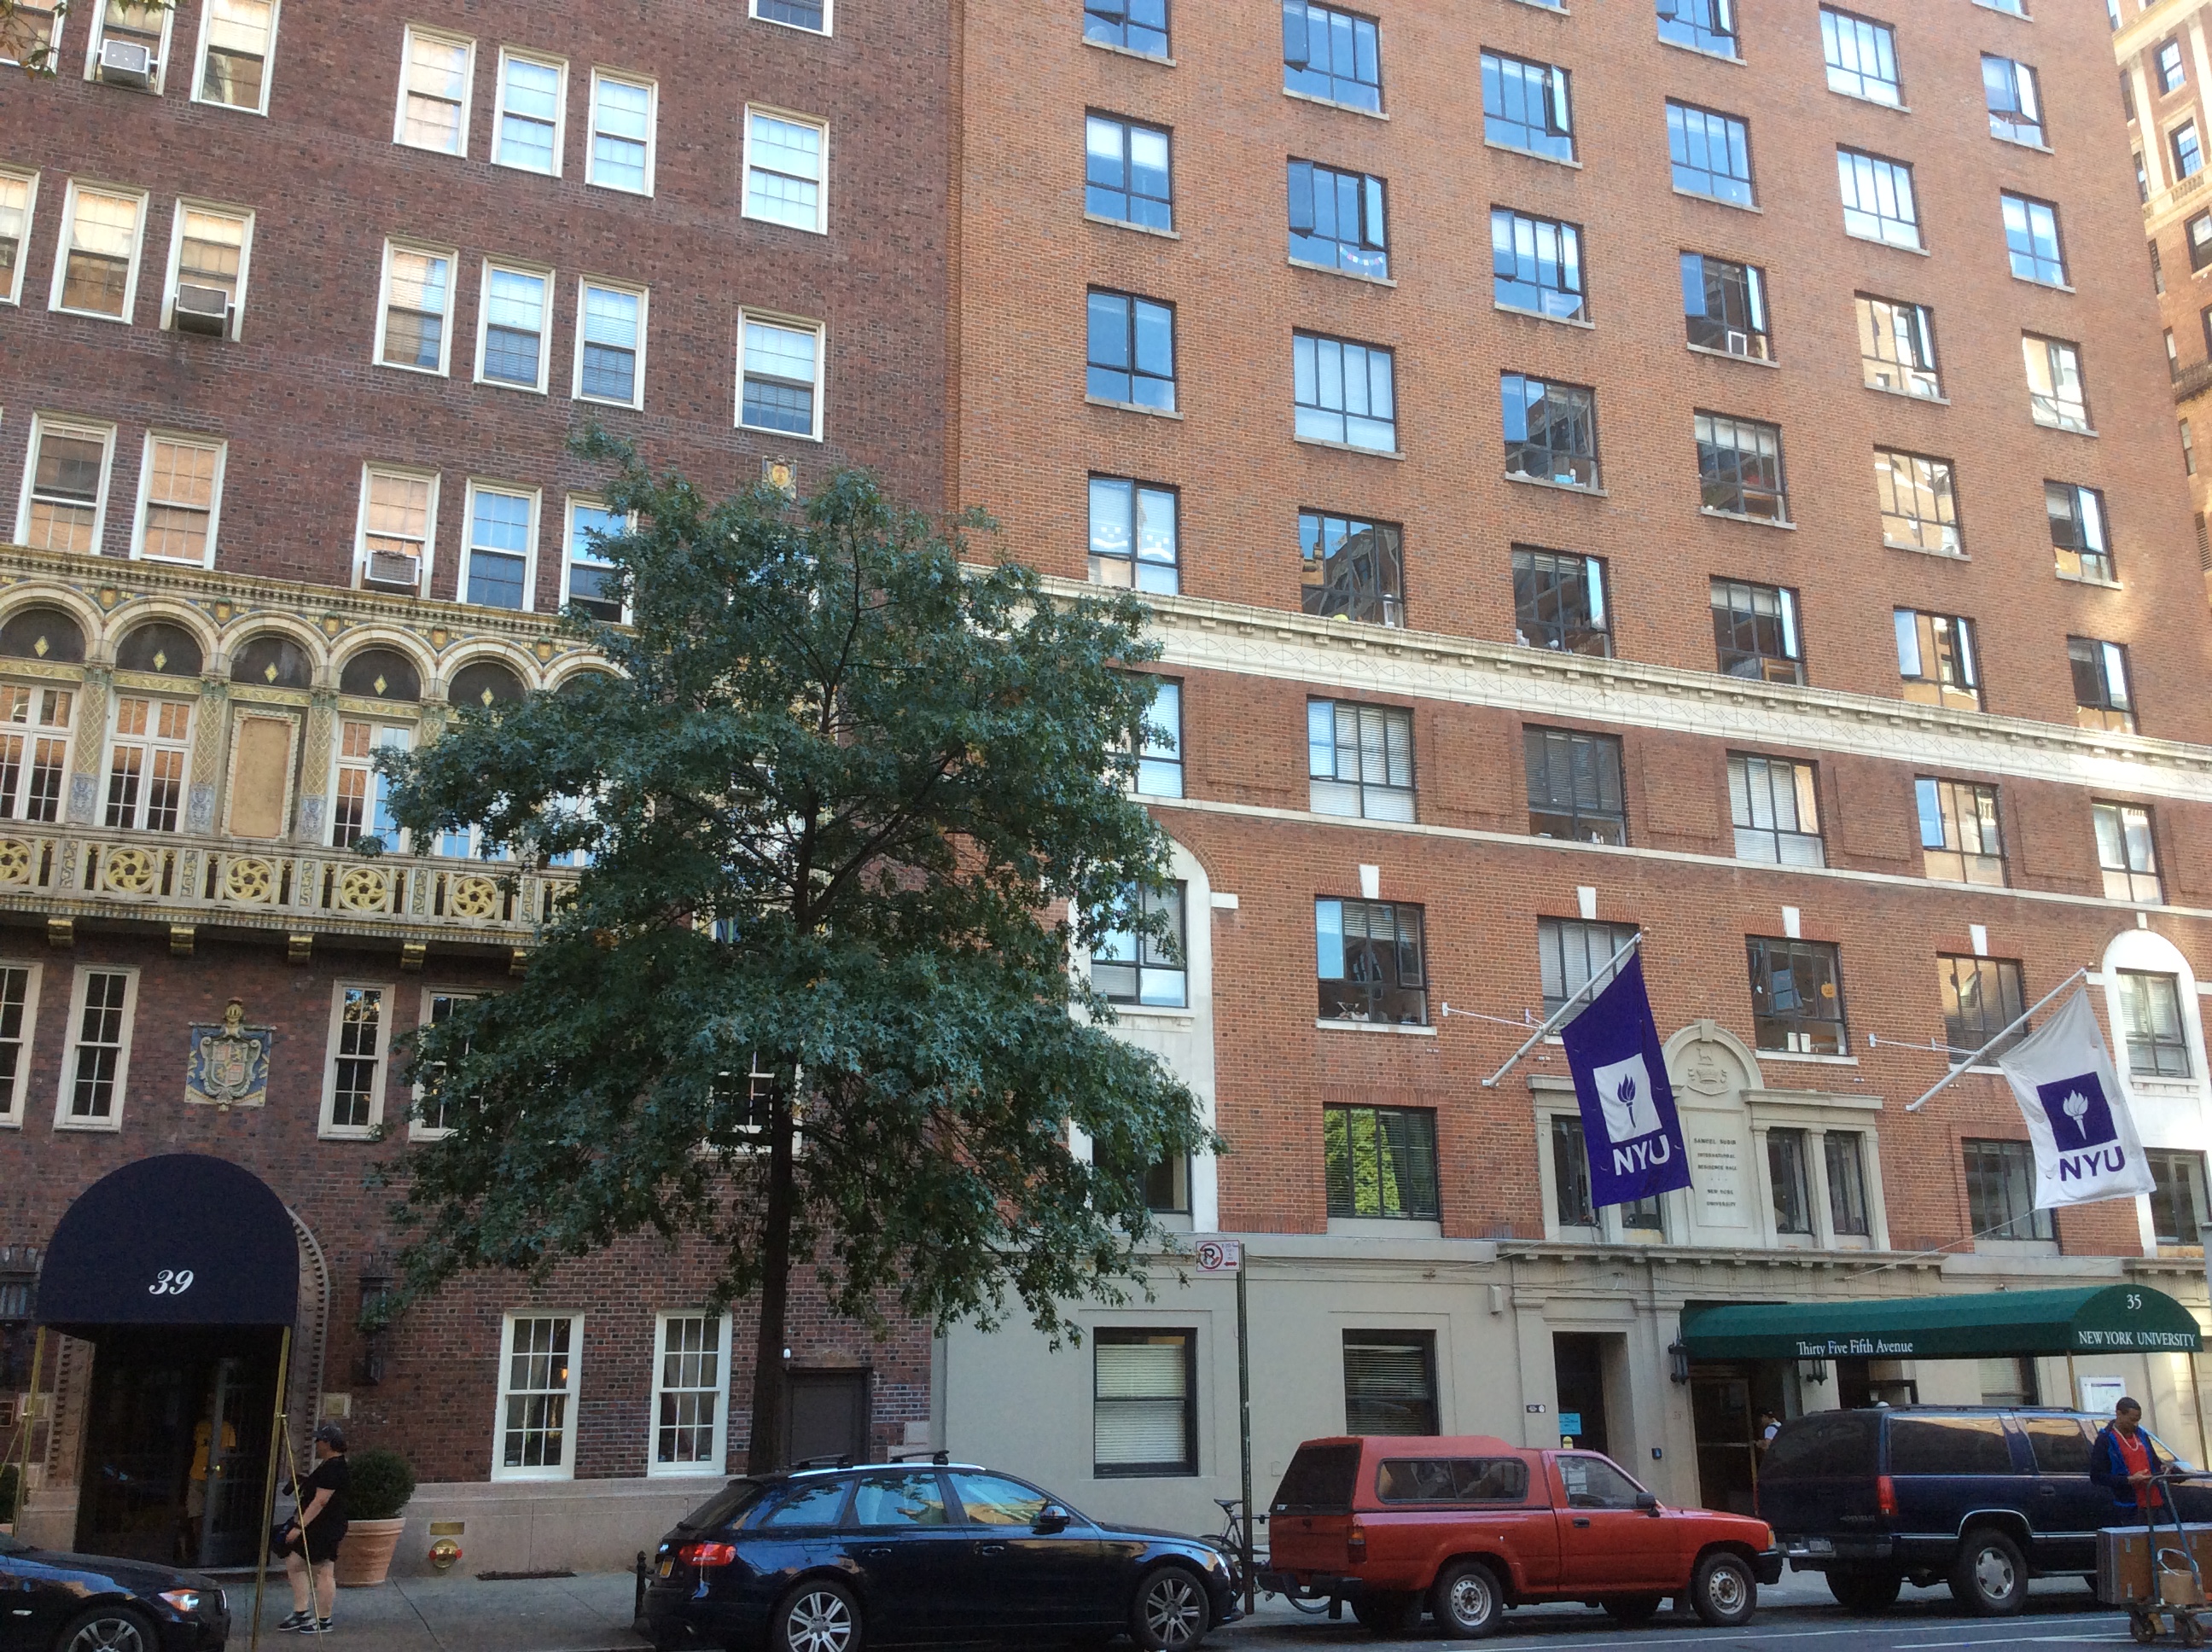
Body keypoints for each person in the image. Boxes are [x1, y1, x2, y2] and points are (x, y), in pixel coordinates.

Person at [278, 1423, 350, 1635]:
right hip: (317, 1526)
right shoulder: (328, 1465)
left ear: (328, 1443)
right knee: (295, 1563)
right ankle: (301, 1611)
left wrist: (298, 1527)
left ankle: (324, 1619)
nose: (316, 1443)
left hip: (325, 1527)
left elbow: (321, 1501)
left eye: (319, 1440)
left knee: (324, 1571)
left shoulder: (334, 1468)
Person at [2091, 1397, 2168, 1522]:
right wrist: (2129, 1480)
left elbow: (2155, 1463)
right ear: (2119, 1414)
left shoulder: (2141, 1435)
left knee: (2164, 1539)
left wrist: (2163, 1468)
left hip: (2154, 1503)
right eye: (2132, 1420)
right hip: (2128, 1506)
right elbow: (2097, 1476)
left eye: (2138, 1420)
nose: (2135, 1424)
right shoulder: (2105, 1439)